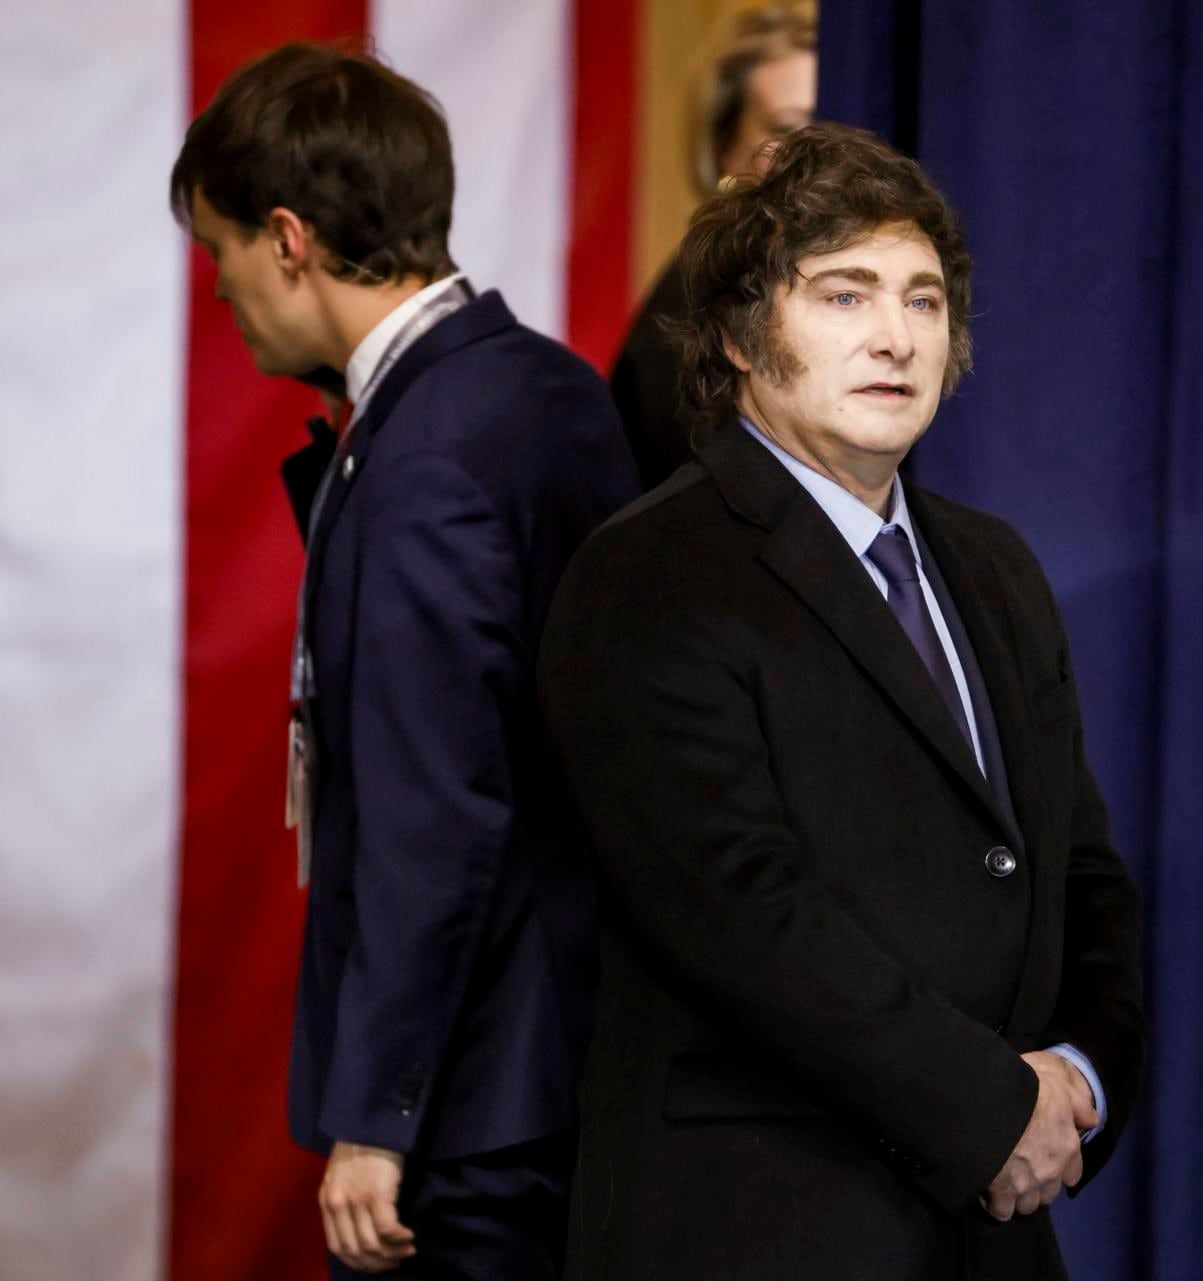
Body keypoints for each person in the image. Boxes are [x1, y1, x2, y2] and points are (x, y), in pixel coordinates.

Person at [539, 122, 1147, 1280]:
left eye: (924, 301)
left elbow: (1082, 873)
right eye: (844, 294)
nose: (895, 337)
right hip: (763, 1224)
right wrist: (989, 1110)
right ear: (736, 333)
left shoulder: (995, 566)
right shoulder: (647, 573)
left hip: (991, 1230)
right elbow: (740, 913)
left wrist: (1079, 1078)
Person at [171, 42, 638, 1278]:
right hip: (567, 1061)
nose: (216, 292)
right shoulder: (546, 389)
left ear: (287, 239)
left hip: (469, 1112)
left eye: (217, 249)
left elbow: (441, 810)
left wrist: (380, 1118)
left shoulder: (426, 458)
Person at [609, 2, 817, 488]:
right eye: (786, 129)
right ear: (724, 146)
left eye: (826, 124)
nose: (816, 152)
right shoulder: (691, 309)